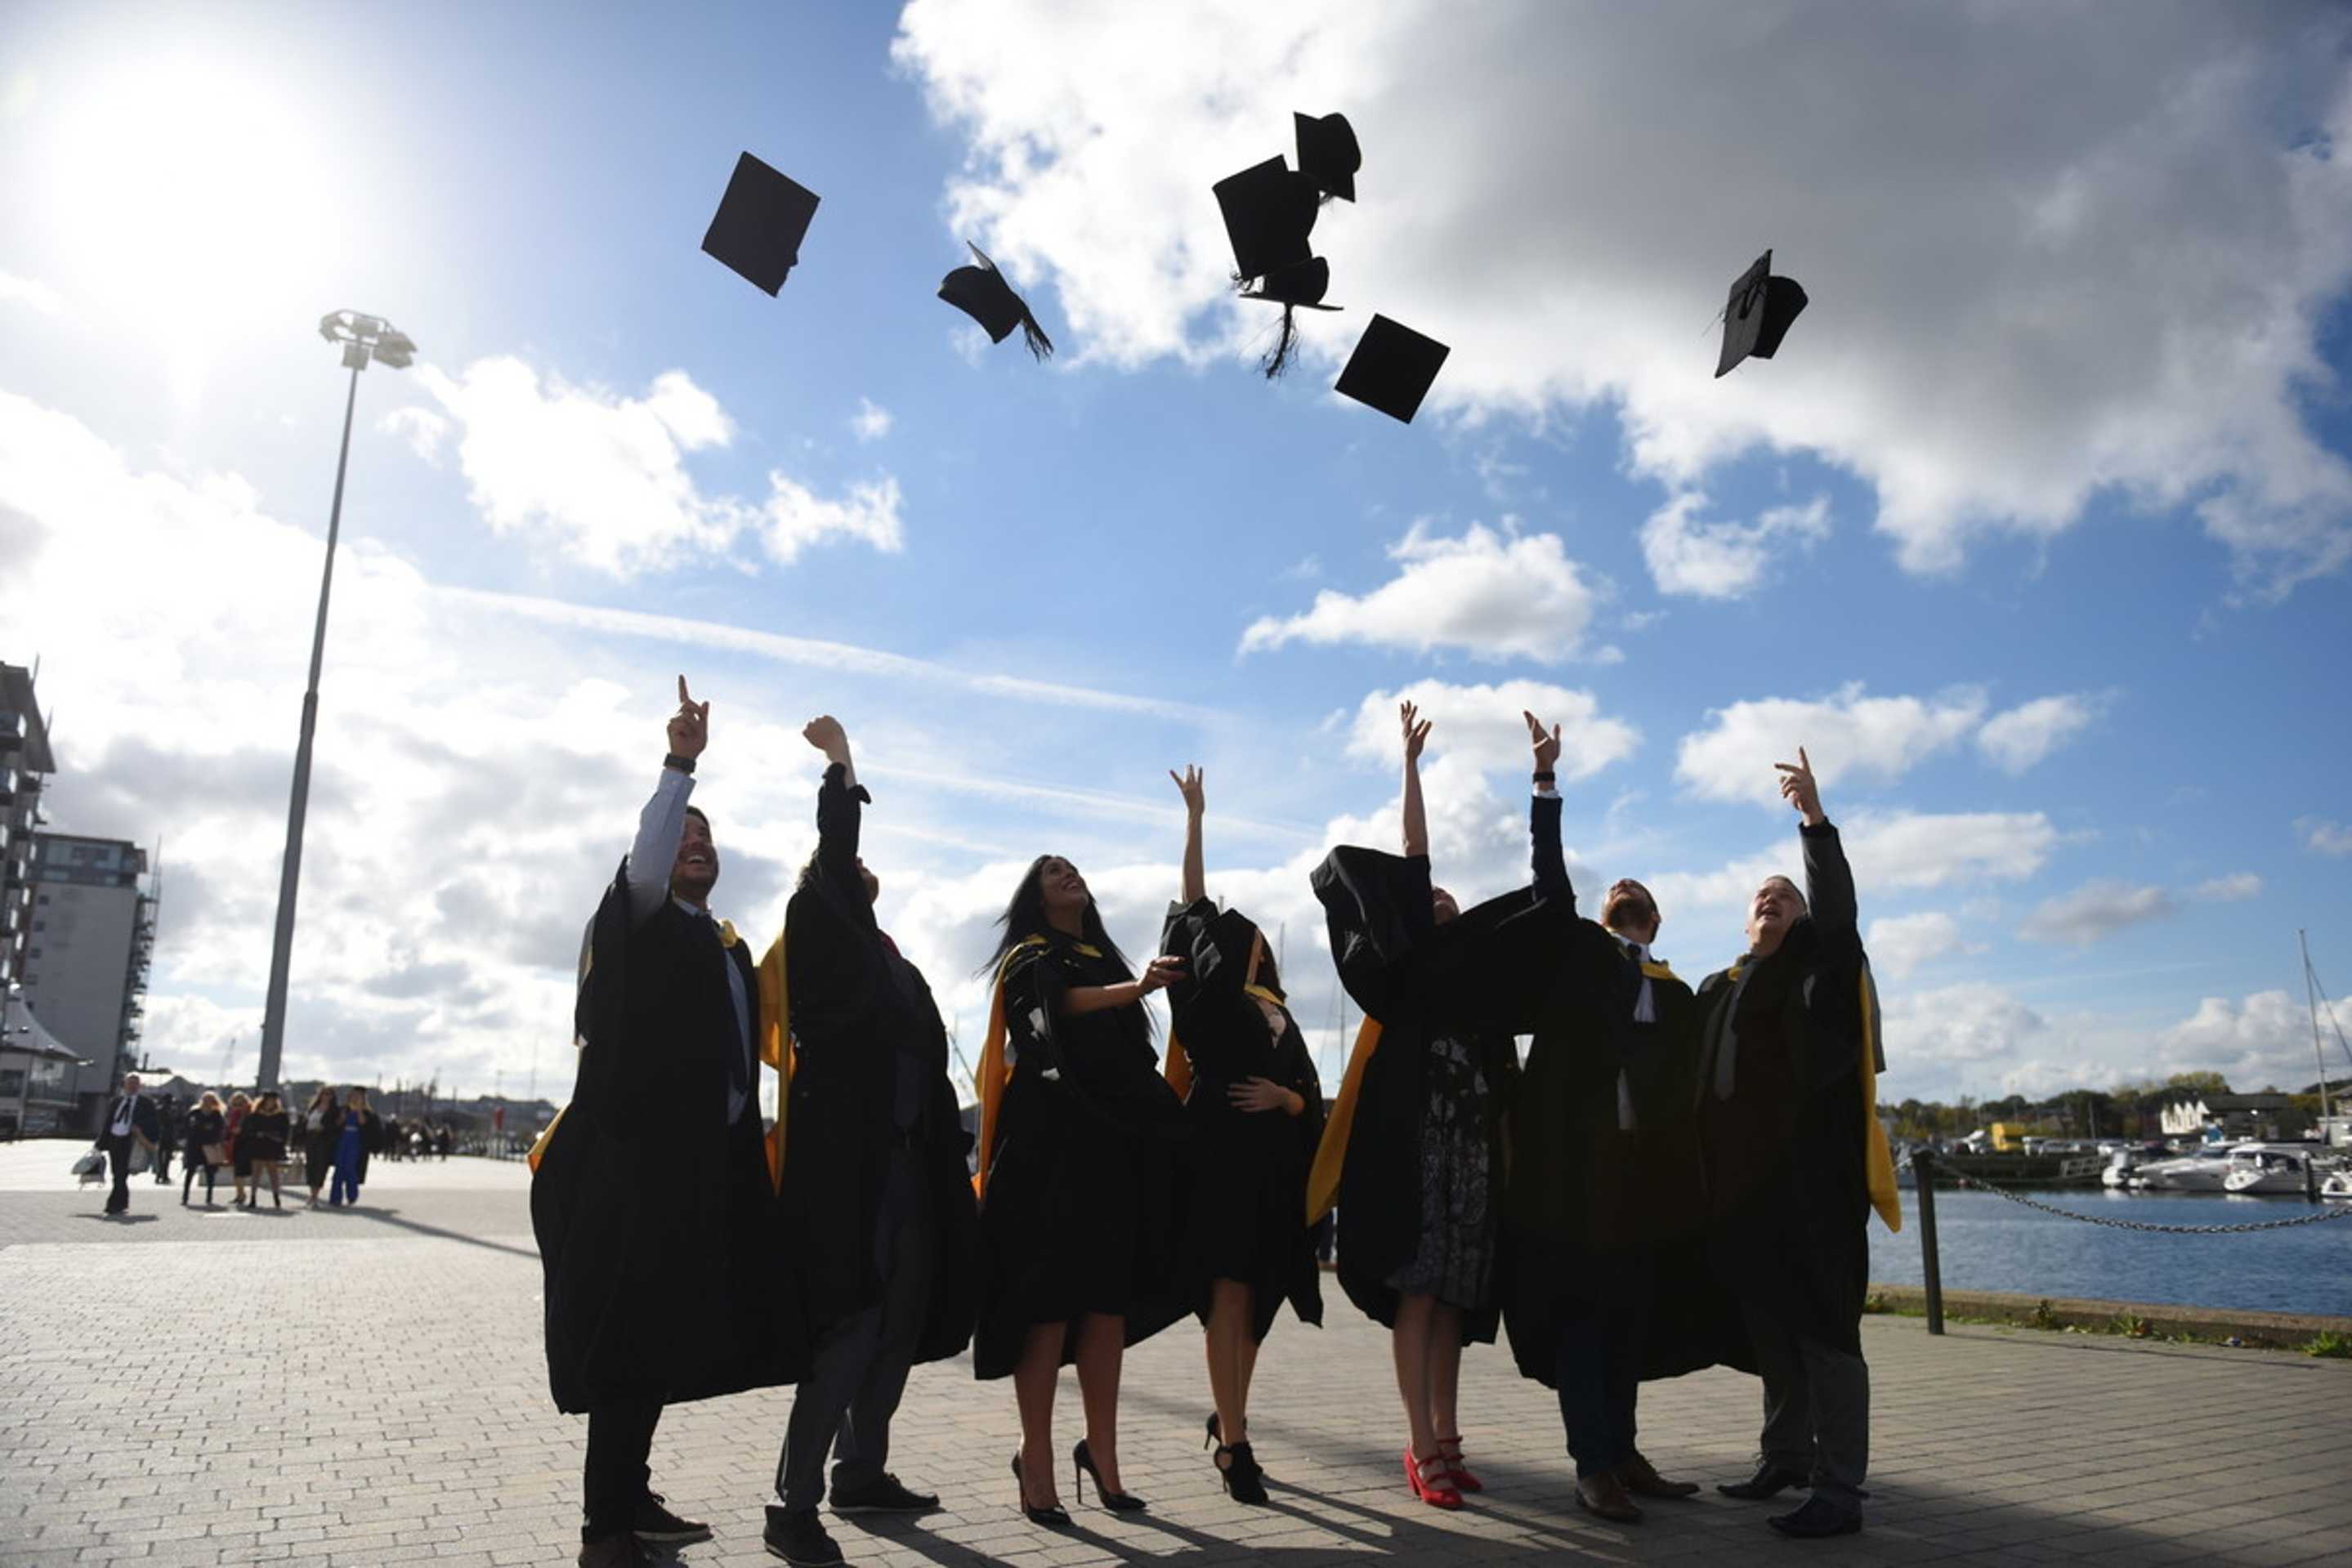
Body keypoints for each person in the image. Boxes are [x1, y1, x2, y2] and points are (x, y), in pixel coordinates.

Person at [530, 677, 798, 1568]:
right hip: (632, 1165)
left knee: (659, 1342)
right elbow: (642, 861)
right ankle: (605, 1529)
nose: (694, 846)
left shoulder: (721, 941)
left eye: (706, 837)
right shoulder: (645, 918)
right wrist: (680, 765)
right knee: (626, 1342)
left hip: (700, 1170)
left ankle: (633, 1497)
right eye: (682, 834)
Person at [1306, 701, 1563, 1510]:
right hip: (1415, 1154)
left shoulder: (1486, 979)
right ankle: (1419, 1446)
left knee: (1456, 1300)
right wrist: (1410, 767)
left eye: (1452, 894)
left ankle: (1450, 1441)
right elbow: (1413, 856)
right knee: (1418, 1295)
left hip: (1475, 1155)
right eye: (1433, 896)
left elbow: (1550, 895)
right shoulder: (1410, 974)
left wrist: (1544, 781)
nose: (1442, 898)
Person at [758, 717, 982, 1568]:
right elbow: (831, 850)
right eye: (841, 863)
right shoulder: (818, 923)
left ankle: (862, 1471)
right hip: (847, 1172)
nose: (855, 866)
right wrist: (841, 767)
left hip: (911, 1169)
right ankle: (792, 1502)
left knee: (898, 1324)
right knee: (847, 1330)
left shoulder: (893, 957)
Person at [1500, 713, 1713, 1523]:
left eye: (1643, 902)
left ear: (1655, 922)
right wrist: (1545, 783)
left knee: (1629, 1325)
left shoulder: (1676, 994)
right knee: (1587, 1325)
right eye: (1618, 899)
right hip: (1573, 1181)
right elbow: (1550, 887)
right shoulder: (1583, 962)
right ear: (1602, 917)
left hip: (1645, 1185)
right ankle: (1592, 1465)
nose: (1630, 901)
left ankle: (1622, 1449)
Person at [1696, 748, 1899, 1539]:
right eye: (1760, 897)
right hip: (1748, 1193)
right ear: (1747, 925)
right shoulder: (1729, 985)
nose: (1771, 900)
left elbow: (1837, 909)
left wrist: (1812, 822)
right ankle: (1783, 1454)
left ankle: (1840, 1487)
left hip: (1816, 1187)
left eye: (1785, 895)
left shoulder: (1821, 965)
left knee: (1826, 1332)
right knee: (1773, 1329)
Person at [971, 851, 1190, 1528]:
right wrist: (1136, 990)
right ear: (1034, 895)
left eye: (1072, 867)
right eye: (1052, 870)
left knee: (1106, 1307)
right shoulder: (1030, 958)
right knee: (1047, 1308)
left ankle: (1103, 1454)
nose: (1069, 873)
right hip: (1047, 1147)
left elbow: (1132, 1056)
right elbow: (1054, 1010)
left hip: (1109, 1148)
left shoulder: (1102, 957)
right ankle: (1034, 1459)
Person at [1158, 764, 1323, 1505]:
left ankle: (1232, 1416)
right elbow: (1195, 904)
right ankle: (1235, 1444)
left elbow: (1314, 1097)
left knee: (1256, 1305)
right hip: (1221, 1156)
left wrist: (1288, 1098)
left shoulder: (1282, 1010)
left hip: (1271, 1171)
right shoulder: (1218, 1001)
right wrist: (1196, 818)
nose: (1237, 933)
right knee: (1227, 1298)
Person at [94, 1073, 161, 1217]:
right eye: (130, 1083)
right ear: (124, 1084)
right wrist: (100, 1143)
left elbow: (153, 1122)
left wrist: (139, 1129)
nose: (132, 1086)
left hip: (130, 1140)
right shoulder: (117, 1101)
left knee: (121, 1173)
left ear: (140, 1086)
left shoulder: (146, 1103)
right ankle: (122, 1202)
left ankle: (113, 1205)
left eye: (136, 1083)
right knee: (116, 1173)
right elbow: (108, 1121)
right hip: (114, 1138)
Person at [329, 1089, 383, 1207]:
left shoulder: (367, 1112)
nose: (354, 1099)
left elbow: (363, 1123)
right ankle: (335, 1198)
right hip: (343, 1141)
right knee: (339, 1169)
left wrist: (359, 1110)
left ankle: (352, 1196)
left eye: (358, 1097)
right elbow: (336, 1124)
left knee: (350, 1168)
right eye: (353, 1096)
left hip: (356, 1142)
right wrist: (342, 1118)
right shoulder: (343, 1109)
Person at [242, 1092, 291, 1209]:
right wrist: (256, 1134)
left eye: (273, 1100)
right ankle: (253, 1198)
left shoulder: (281, 1116)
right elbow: (247, 1130)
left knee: (273, 1174)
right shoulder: (254, 1115)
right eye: (269, 1100)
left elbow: (285, 1132)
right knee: (256, 1174)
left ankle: (276, 1198)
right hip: (258, 1146)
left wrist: (280, 1141)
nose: (271, 1102)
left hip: (272, 1147)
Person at [182, 1092, 227, 1207]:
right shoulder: (194, 1113)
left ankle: (209, 1197)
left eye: (210, 1100)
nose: (207, 1103)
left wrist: (210, 1133)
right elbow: (187, 1127)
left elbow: (219, 1130)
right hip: (194, 1146)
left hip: (210, 1146)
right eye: (205, 1100)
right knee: (190, 1171)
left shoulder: (216, 1115)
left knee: (210, 1173)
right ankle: (185, 1196)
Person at [302, 1086, 342, 1208]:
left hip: (324, 1140)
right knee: (310, 1166)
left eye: (329, 1094)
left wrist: (324, 1128)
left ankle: (315, 1196)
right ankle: (312, 1194)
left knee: (320, 1167)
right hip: (311, 1138)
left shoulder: (334, 1110)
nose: (326, 1096)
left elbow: (336, 1127)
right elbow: (305, 1123)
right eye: (324, 1094)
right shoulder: (313, 1108)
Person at [225, 1092, 252, 1207]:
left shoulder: (250, 1113)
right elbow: (230, 1127)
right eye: (235, 1104)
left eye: (241, 1103)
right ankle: (240, 1194)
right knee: (236, 1171)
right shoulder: (235, 1114)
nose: (238, 1106)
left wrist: (242, 1131)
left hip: (247, 1143)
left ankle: (242, 1195)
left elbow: (252, 1127)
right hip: (236, 1143)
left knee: (240, 1170)